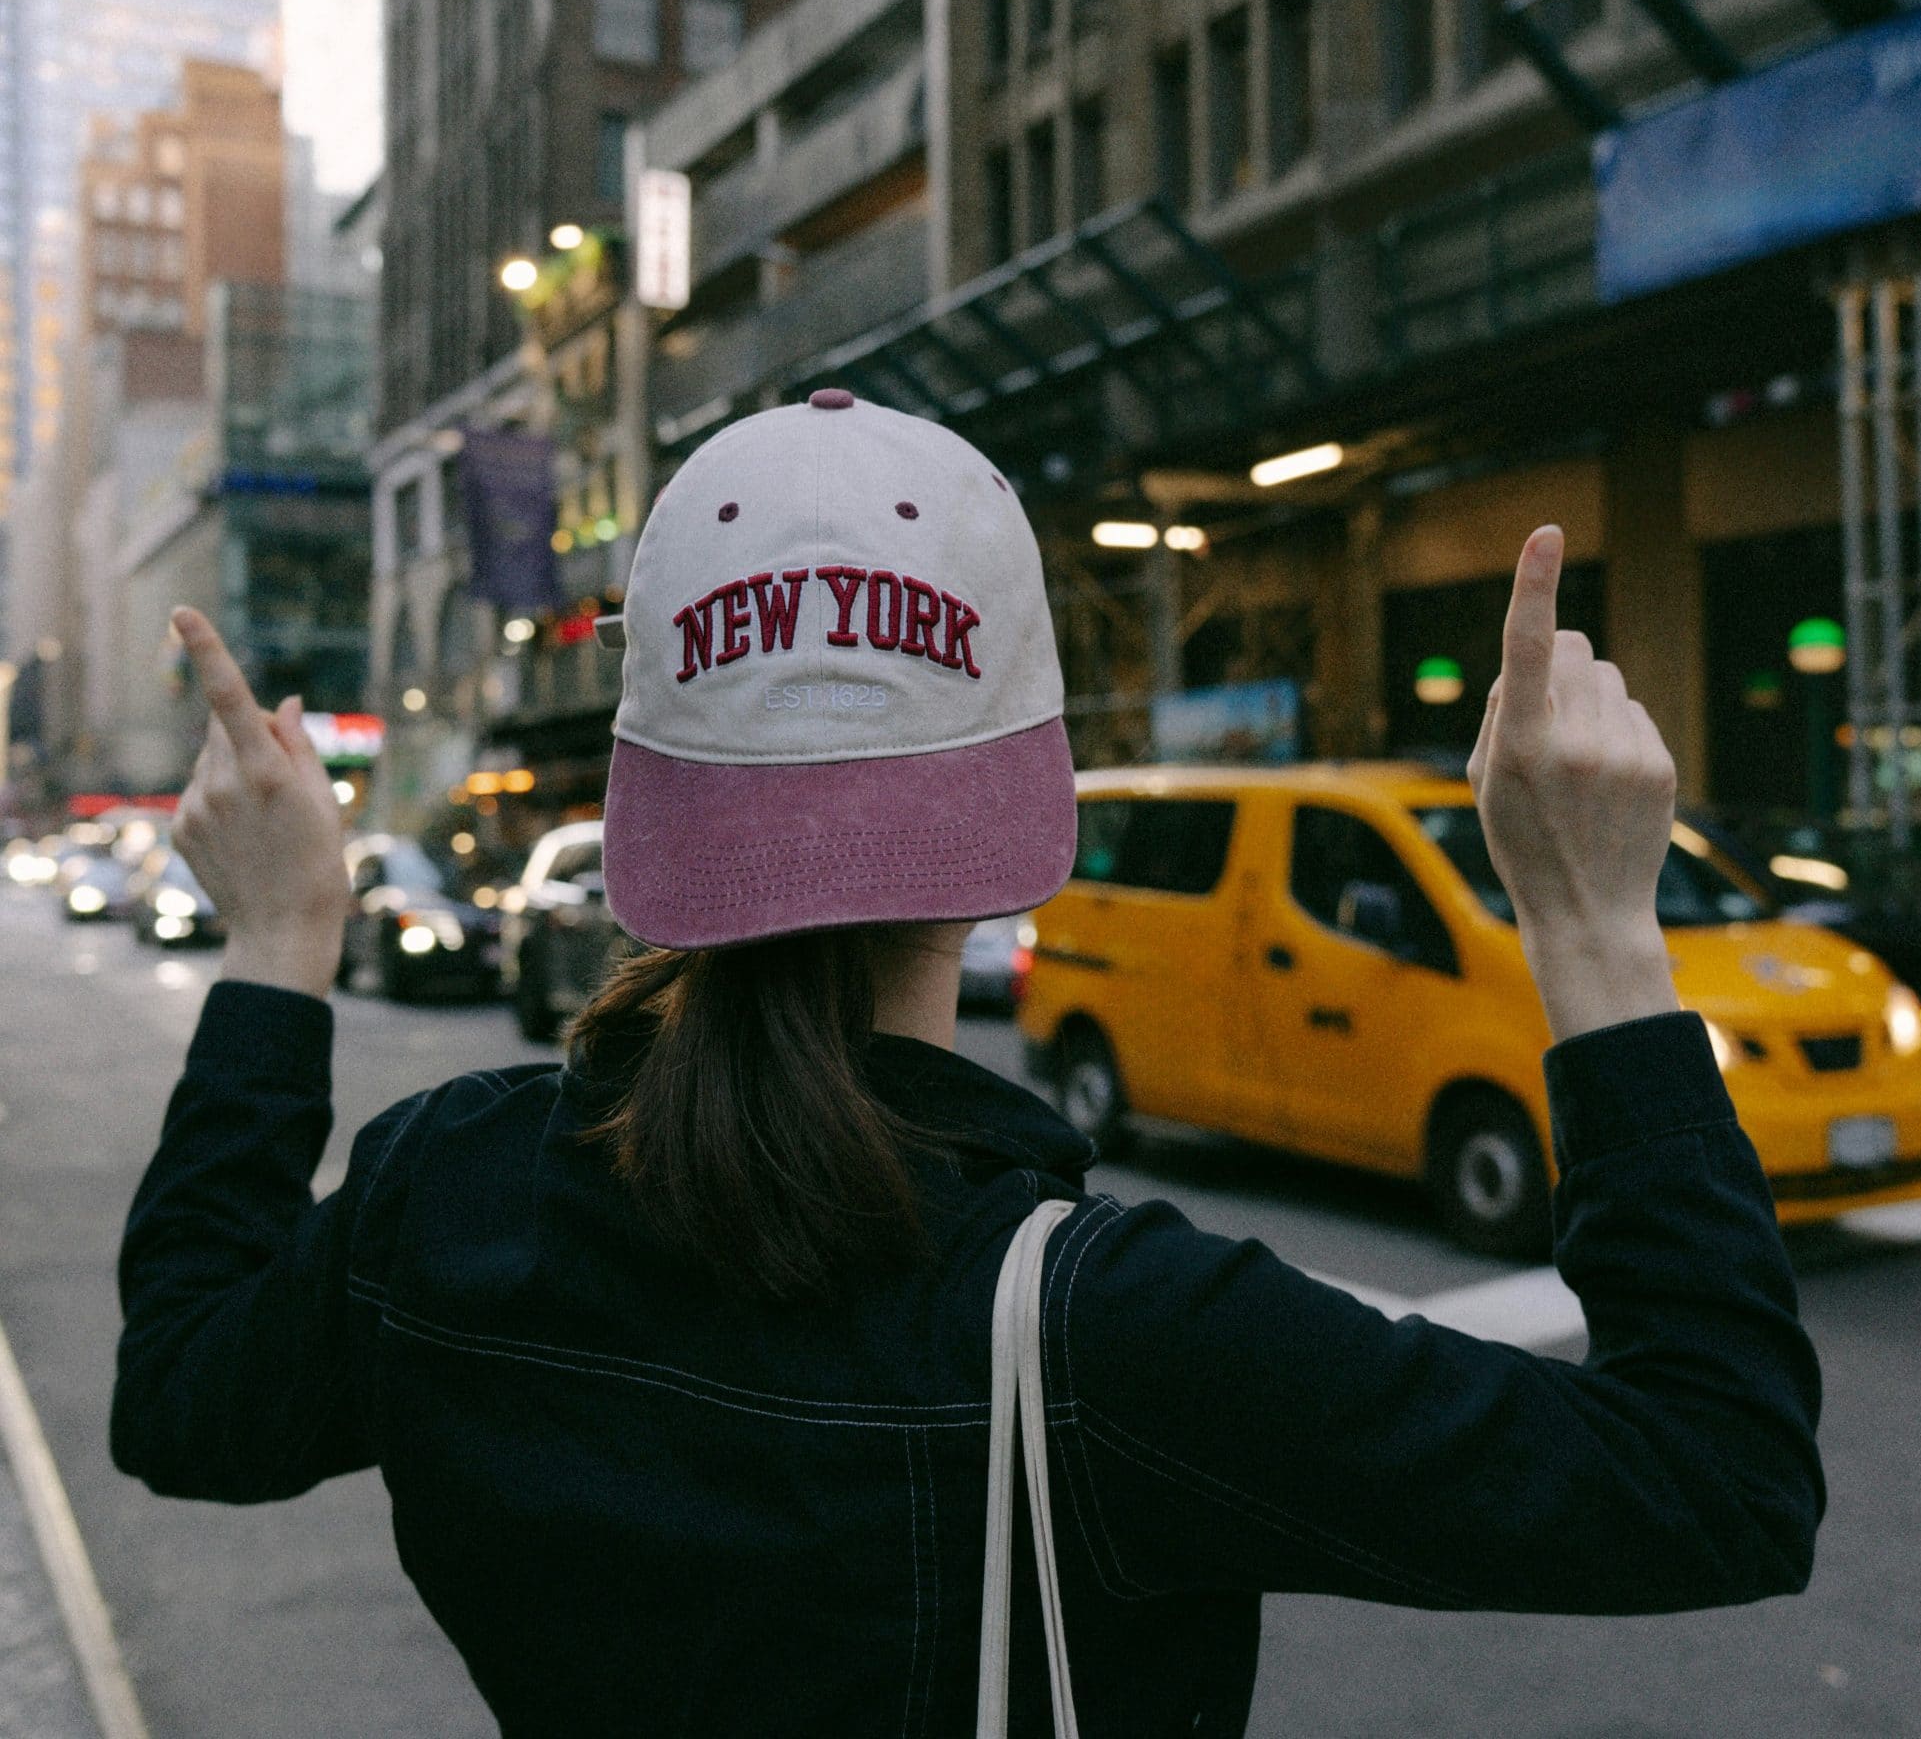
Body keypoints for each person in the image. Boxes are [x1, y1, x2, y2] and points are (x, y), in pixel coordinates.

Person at [111, 395, 1824, 1736]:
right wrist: (1595, 923)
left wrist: (278, 947)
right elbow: (1720, 1480)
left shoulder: (448, 1191)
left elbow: (182, 1394)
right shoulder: (1113, 1331)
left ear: (656, 789)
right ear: (1008, 827)